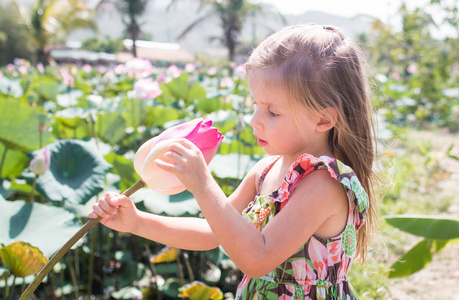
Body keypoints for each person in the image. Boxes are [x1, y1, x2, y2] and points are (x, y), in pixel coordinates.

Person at [90, 24, 378, 299]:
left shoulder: (323, 184)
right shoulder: (265, 171)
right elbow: (211, 233)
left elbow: (257, 258)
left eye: (272, 112)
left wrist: (203, 184)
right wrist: (137, 222)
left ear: (324, 119)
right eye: (255, 105)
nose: (254, 121)